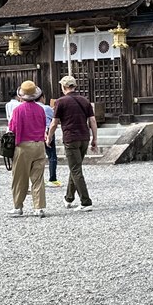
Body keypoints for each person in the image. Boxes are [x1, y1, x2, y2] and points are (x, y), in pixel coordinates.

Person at [50, 75, 99, 211]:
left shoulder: (60, 102)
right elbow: (92, 120)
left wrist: (49, 137)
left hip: (71, 138)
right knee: (75, 167)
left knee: (76, 169)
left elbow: (54, 123)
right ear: (74, 86)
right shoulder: (85, 100)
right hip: (84, 137)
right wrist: (95, 138)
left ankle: (86, 201)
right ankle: (69, 197)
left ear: (64, 87)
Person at [8, 80, 48, 217]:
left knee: (20, 177)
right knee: (38, 178)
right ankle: (38, 207)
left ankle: (18, 206)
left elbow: (13, 128)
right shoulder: (41, 109)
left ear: (21, 95)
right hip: (39, 144)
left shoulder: (18, 110)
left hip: (23, 145)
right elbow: (44, 125)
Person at [42, 95, 61, 187]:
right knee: (52, 155)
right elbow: (55, 118)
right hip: (47, 131)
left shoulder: (33, 107)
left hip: (36, 132)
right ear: (42, 98)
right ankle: (52, 178)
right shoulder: (46, 108)